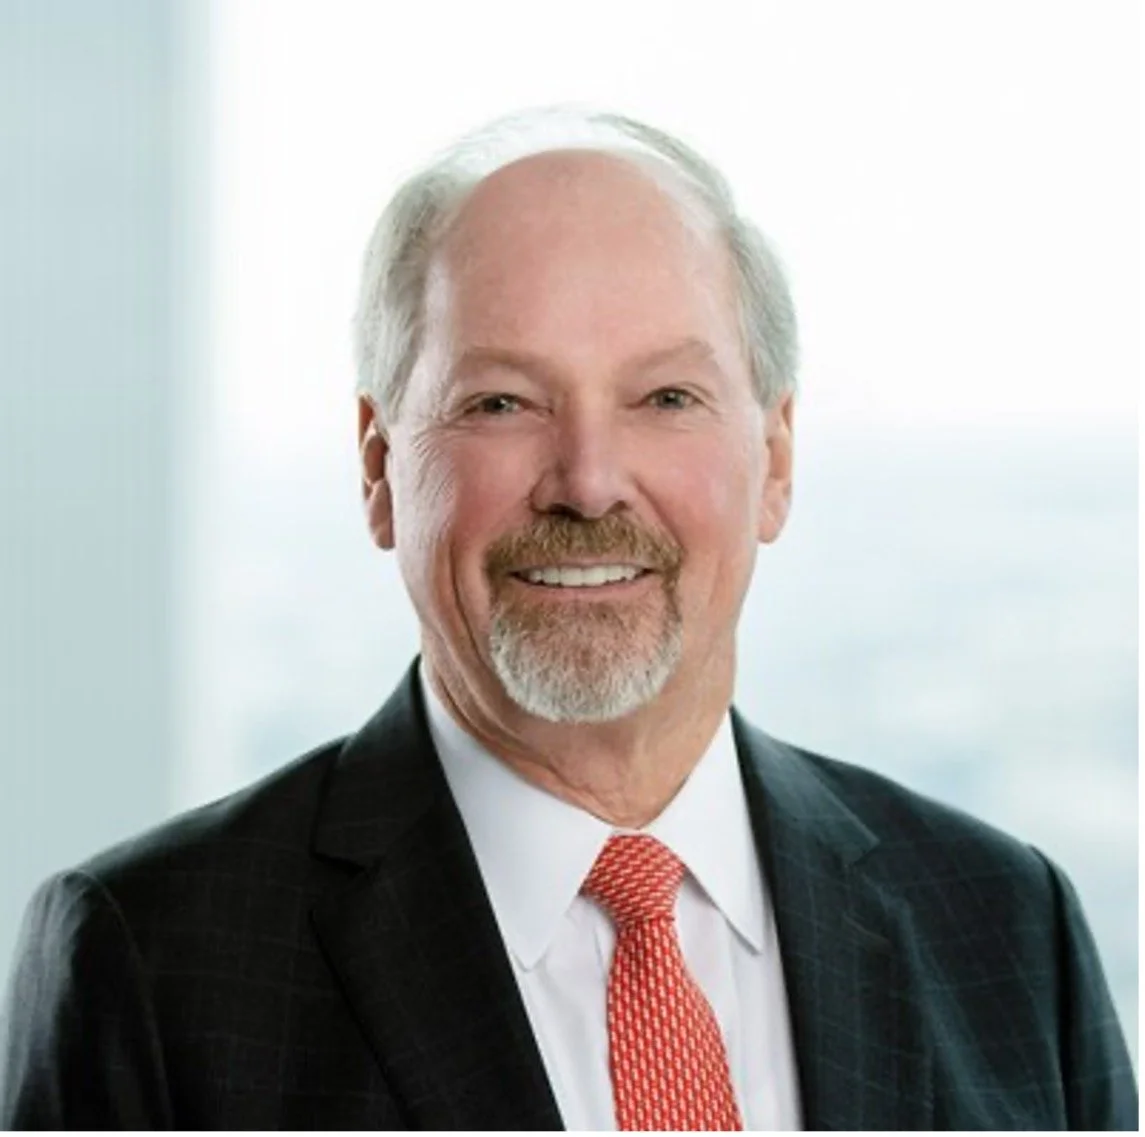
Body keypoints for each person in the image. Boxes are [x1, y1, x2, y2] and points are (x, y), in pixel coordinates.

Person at [0, 106, 1135, 1132]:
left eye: (665, 399)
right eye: (501, 402)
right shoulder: (155, 961)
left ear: (775, 459)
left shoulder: (1001, 921)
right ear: (378, 466)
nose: (587, 481)